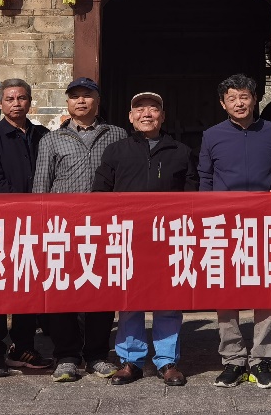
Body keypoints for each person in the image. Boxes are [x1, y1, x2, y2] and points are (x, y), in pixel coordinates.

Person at [199, 73, 271, 390]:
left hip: (265, 222)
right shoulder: (211, 135)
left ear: (255, 99)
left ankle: (261, 360)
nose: (239, 103)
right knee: (226, 290)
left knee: (266, 289)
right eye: (232, 98)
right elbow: (204, 177)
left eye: (244, 97)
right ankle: (232, 359)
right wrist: (205, 215)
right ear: (223, 103)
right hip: (224, 224)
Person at [93, 92, 198, 387]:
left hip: (168, 238)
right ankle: (131, 361)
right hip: (128, 238)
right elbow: (100, 192)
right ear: (130, 117)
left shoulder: (180, 151)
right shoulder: (116, 151)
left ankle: (167, 361)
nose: (146, 114)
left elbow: (193, 195)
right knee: (130, 300)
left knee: (168, 300)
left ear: (163, 117)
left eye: (153, 109)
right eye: (139, 109)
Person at [33, 78, 127, 382]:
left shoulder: (116, 134)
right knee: (63, 290)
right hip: (63, 226)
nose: (81, 101)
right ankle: (67, 356)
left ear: (98, 101)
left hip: (104, 225)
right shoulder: (52, 139)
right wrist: (40, 224)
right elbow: (41, 185)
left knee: (101, 290)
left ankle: (97, 355)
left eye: (87, 96)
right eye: (75, 97)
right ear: (68, 103)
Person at [0, 78, 53, 375]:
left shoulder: (43, 135)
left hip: (38, 224)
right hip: (2, 223)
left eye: (21, 98)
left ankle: (23, 346)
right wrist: (26, 207)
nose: (16, 103)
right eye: (10, 99)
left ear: (30, 101)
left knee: (28, 286)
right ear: (0, 104)